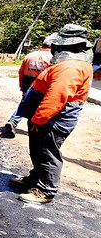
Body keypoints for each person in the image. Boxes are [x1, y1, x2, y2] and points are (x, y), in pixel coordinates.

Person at [11, 24, 93, 204]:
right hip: (47, 117)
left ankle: (45, 190)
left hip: (53, 119)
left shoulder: (71, 67)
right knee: (39, 150)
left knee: (47, 152)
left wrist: (39, 120)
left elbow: (57, 96)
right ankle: (35, 180)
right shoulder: (72, 64)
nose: (54, 49)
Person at [2, 34, 56, 138]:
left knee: (25, 103)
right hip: (42, 82)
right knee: (41, 105)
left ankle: (13, 121)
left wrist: (21, 85)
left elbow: (21, 71)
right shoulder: (52, 57)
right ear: (52, 46)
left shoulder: (30, 55)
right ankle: (38, 127)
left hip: (28, 80)